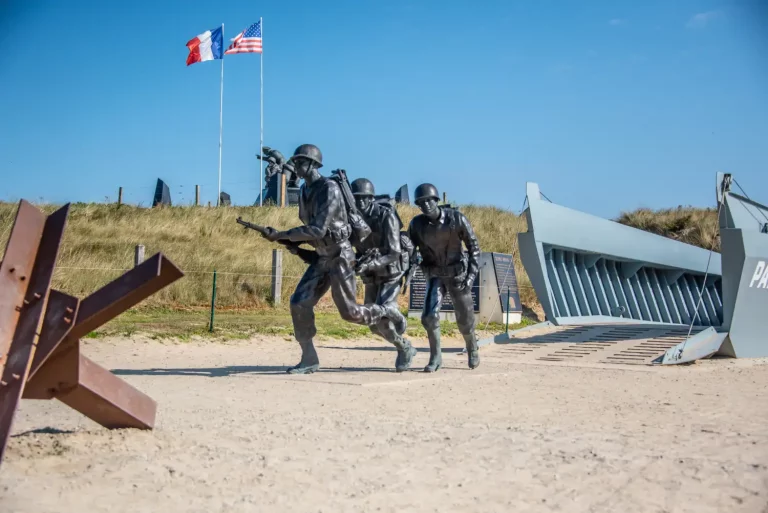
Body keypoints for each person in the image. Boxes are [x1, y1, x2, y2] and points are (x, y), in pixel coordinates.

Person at [262, 144, 389, 374]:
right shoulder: (303, 191)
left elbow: (318, 229)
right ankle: (309, 358)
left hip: (340, 255)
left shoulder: (329, 188)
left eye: (300, 162)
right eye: (296, 162)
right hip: (322, 256)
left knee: (350, 313)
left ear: (312, 164)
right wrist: (289, 241)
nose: (296, 166)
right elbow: (308, 228)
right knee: (299, 303)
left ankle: (384, 312)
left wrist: (282, 235)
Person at [407, 183, 481, 372]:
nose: (425, 205)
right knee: (429, 316)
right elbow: (409, 249)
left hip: (458, 275)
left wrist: (471, 277)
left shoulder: (456, 219)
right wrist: (410, 262)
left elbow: (474, 248)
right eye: (420, 203)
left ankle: (472, 348)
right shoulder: (417, 225)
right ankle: (436, 357)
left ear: (436, 200)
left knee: (465, 320)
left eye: (428, 201)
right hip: (435, 275)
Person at [350, 178, 417, 372]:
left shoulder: (385, 216)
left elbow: (394, 252)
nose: (361, 202)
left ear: (371, 198)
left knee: (383, 318)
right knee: (372, 324)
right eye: (357, 198)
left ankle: (397, 323)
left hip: (390, 271)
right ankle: (404, 344)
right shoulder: (353, 218)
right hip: (371, 274)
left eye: (365, 198)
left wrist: (371, 263)